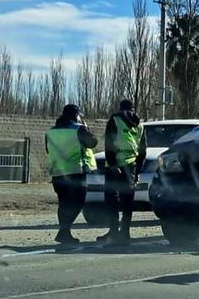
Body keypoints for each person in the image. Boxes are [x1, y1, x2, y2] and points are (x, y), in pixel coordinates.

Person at [45, 104, 98, 244]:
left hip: (57, 173)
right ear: (75, 115)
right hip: (75, 172)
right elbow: (93, 142)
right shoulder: (78, 129)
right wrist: (86, 128)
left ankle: (64, 232)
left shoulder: (51, 132)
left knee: (64, 203)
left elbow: (47, 149)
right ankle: (64, 231)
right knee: (78, 202)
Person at [98, 99, 146, 245]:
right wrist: (137, 172)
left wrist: (112, 163)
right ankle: (125, 232)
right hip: (131, 165)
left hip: (115, 165)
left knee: (111, 199)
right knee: (127, 201)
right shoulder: (140, 125)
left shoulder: (115, 120)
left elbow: (109, 143)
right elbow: (143, 151)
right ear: (133, 109)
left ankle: (113, 232)